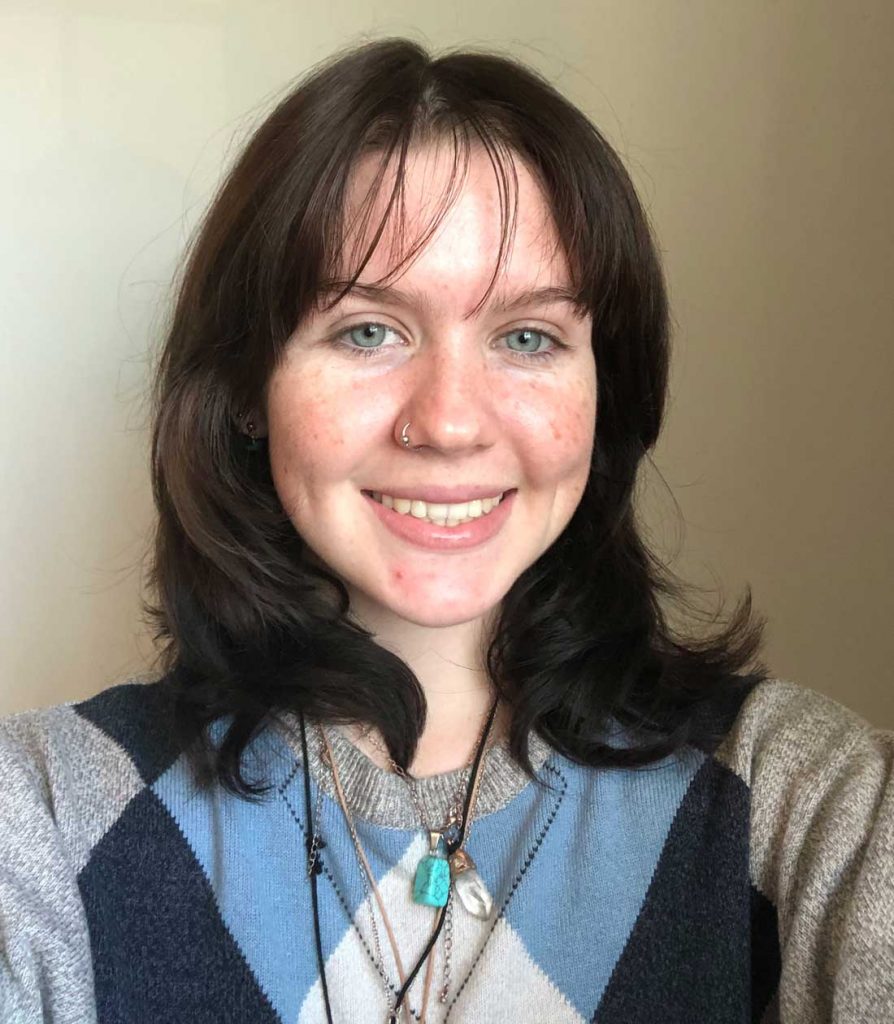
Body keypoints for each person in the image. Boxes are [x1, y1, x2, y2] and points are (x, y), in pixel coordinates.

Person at [1, 37, 891, 1024]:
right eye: (368, 330)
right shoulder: (49, 814)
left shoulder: (802, 803)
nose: (451, 422)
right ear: (247, 388)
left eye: (528, 337)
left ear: (607, 392)